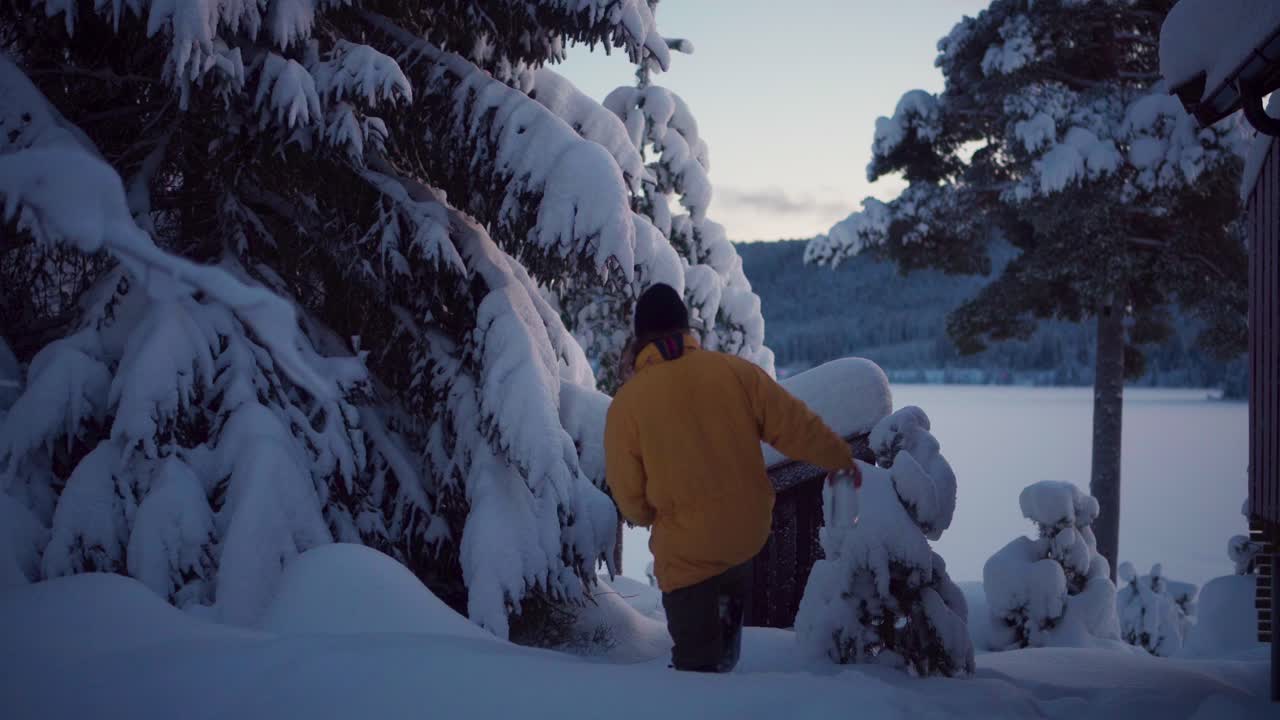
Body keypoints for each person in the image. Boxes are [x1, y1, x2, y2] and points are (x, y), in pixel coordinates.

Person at [604, 283, 862, 673]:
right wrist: (840, 457)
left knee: (697, 670)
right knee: (724, 650)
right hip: (742, 542)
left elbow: (630, 498)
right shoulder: (735, 373)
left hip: (687, 558)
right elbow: (795, 426)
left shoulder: (629, 404)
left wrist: (647, 514)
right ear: (684, 328)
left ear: (641, 338)